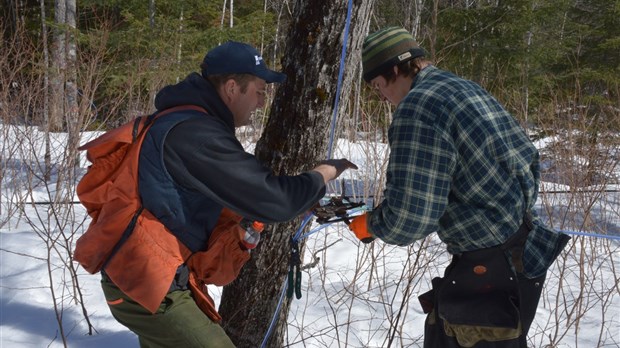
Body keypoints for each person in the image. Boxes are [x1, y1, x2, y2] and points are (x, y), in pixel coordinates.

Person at [74, 41, 356, 347]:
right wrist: (323, 173)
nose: (261, 103)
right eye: (259, 91)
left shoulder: (190, 124)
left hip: (148, 278)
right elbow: (275, 200)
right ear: (233, 88)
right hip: (145, 280)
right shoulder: (195, 135)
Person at [348, 27, 570, 348]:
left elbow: (411, 219)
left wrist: (371, 223)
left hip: (487, 275)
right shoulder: (464, 88)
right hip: (522, 255)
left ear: (395, 70)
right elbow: (527, 159)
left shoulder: (419, 107)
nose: (380, 96)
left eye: (378, 86)